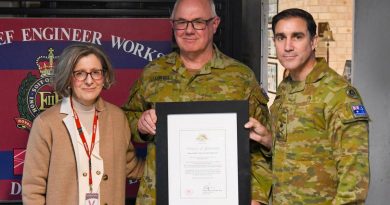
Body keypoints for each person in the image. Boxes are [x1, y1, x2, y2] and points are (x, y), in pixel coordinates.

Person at [122, 0, 272, 204]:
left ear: (215, 24)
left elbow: (260, 147)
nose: (189, 30)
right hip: (160, 197)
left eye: (198, 22)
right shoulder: (153, 73)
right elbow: (124, 121)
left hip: (223, 198)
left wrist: (257, 197)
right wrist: (140, 124)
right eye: (181, 22)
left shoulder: (241, 77)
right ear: (172, 25)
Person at [245, 8, 370, 204]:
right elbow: (299, 149)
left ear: (313, 42)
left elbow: (355, 176)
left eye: (297, 37)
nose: (288, 46)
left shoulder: (337, 93)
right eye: (280, 37)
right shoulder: (285, 87)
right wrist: (269, 141)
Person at [22, 43, 145, 205]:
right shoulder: (46, 123)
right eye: (80, 74)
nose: (89, 81)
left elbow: (131, 166)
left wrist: (172, 162)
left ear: (104, 76)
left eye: (95, 72)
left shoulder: (117, 118)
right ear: (68, 78)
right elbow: (33, 188)